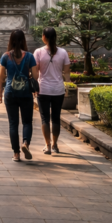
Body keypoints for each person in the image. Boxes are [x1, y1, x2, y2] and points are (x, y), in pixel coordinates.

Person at [0, 29, 37, 162]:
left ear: (11, 41)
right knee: (27, 122)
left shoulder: (5, 56)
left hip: (10, 93)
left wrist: (0, 94)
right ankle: (25, 143)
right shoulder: (29, 56)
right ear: (23, 41)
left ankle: (16, 154)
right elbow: (36, 76)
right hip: (26, 93)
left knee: (13, 123)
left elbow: (1, 77)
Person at [34, 27, 70, 155]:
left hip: (43, 89)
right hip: (58, 89)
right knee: (56, 118)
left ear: (44, 37)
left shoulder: (38, 52)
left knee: (44, 118)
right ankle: (55, 144)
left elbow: (35, 71)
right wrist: (67, 87)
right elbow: (67, 73)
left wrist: (34, 86)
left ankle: (47, 145)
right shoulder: (63, 52)